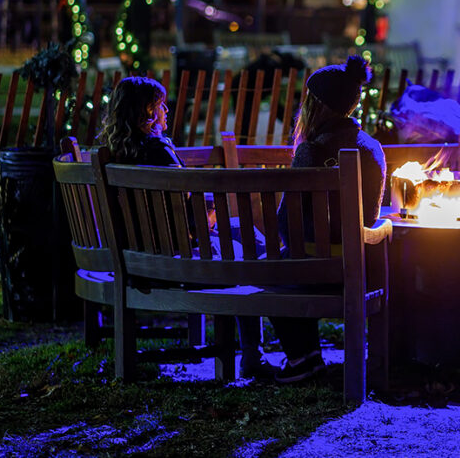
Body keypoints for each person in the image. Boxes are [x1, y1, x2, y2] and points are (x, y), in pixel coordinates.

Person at [99, 76, 275, 379]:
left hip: (138, 250)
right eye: (160, 105)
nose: (166, 110)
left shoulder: (114, 152)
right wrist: (209, 216)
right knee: (248, 249)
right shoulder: (158, 151)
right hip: (175, 252)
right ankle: (253, 352)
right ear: (148, 112)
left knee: (247, 236)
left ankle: (256, 346)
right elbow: (188, 215)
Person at [274, 55, 387, 384]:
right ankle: (310, 359)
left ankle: (303, 359)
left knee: (276, 268)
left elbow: (287, 221)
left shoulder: (310, 151)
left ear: (317, 105)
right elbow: (373, 214)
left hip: (313, 271)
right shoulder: (372, 148)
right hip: (364, 267)